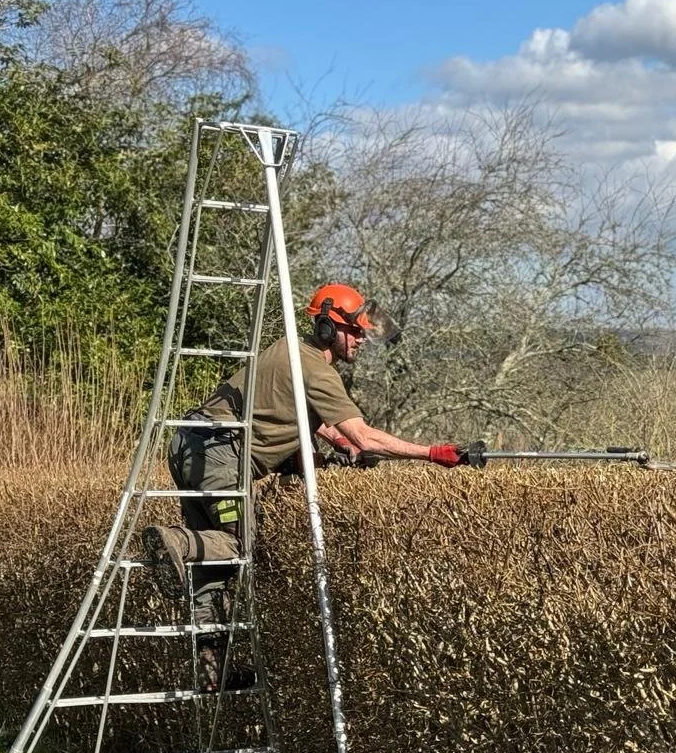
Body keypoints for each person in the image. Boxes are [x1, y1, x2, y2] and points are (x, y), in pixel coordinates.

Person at [141, 282, 467, 689]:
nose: (362, 339)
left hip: (191, 444)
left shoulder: (290, 350)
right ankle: (175, 541)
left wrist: (338, 445)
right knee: (240, 546)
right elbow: (365, 435)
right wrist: (433, 453)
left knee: (215, 562)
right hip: (220, 456)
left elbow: (304, 418)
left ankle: (210, 671)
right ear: (330, 329)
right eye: (356, 331)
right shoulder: (318, 370)